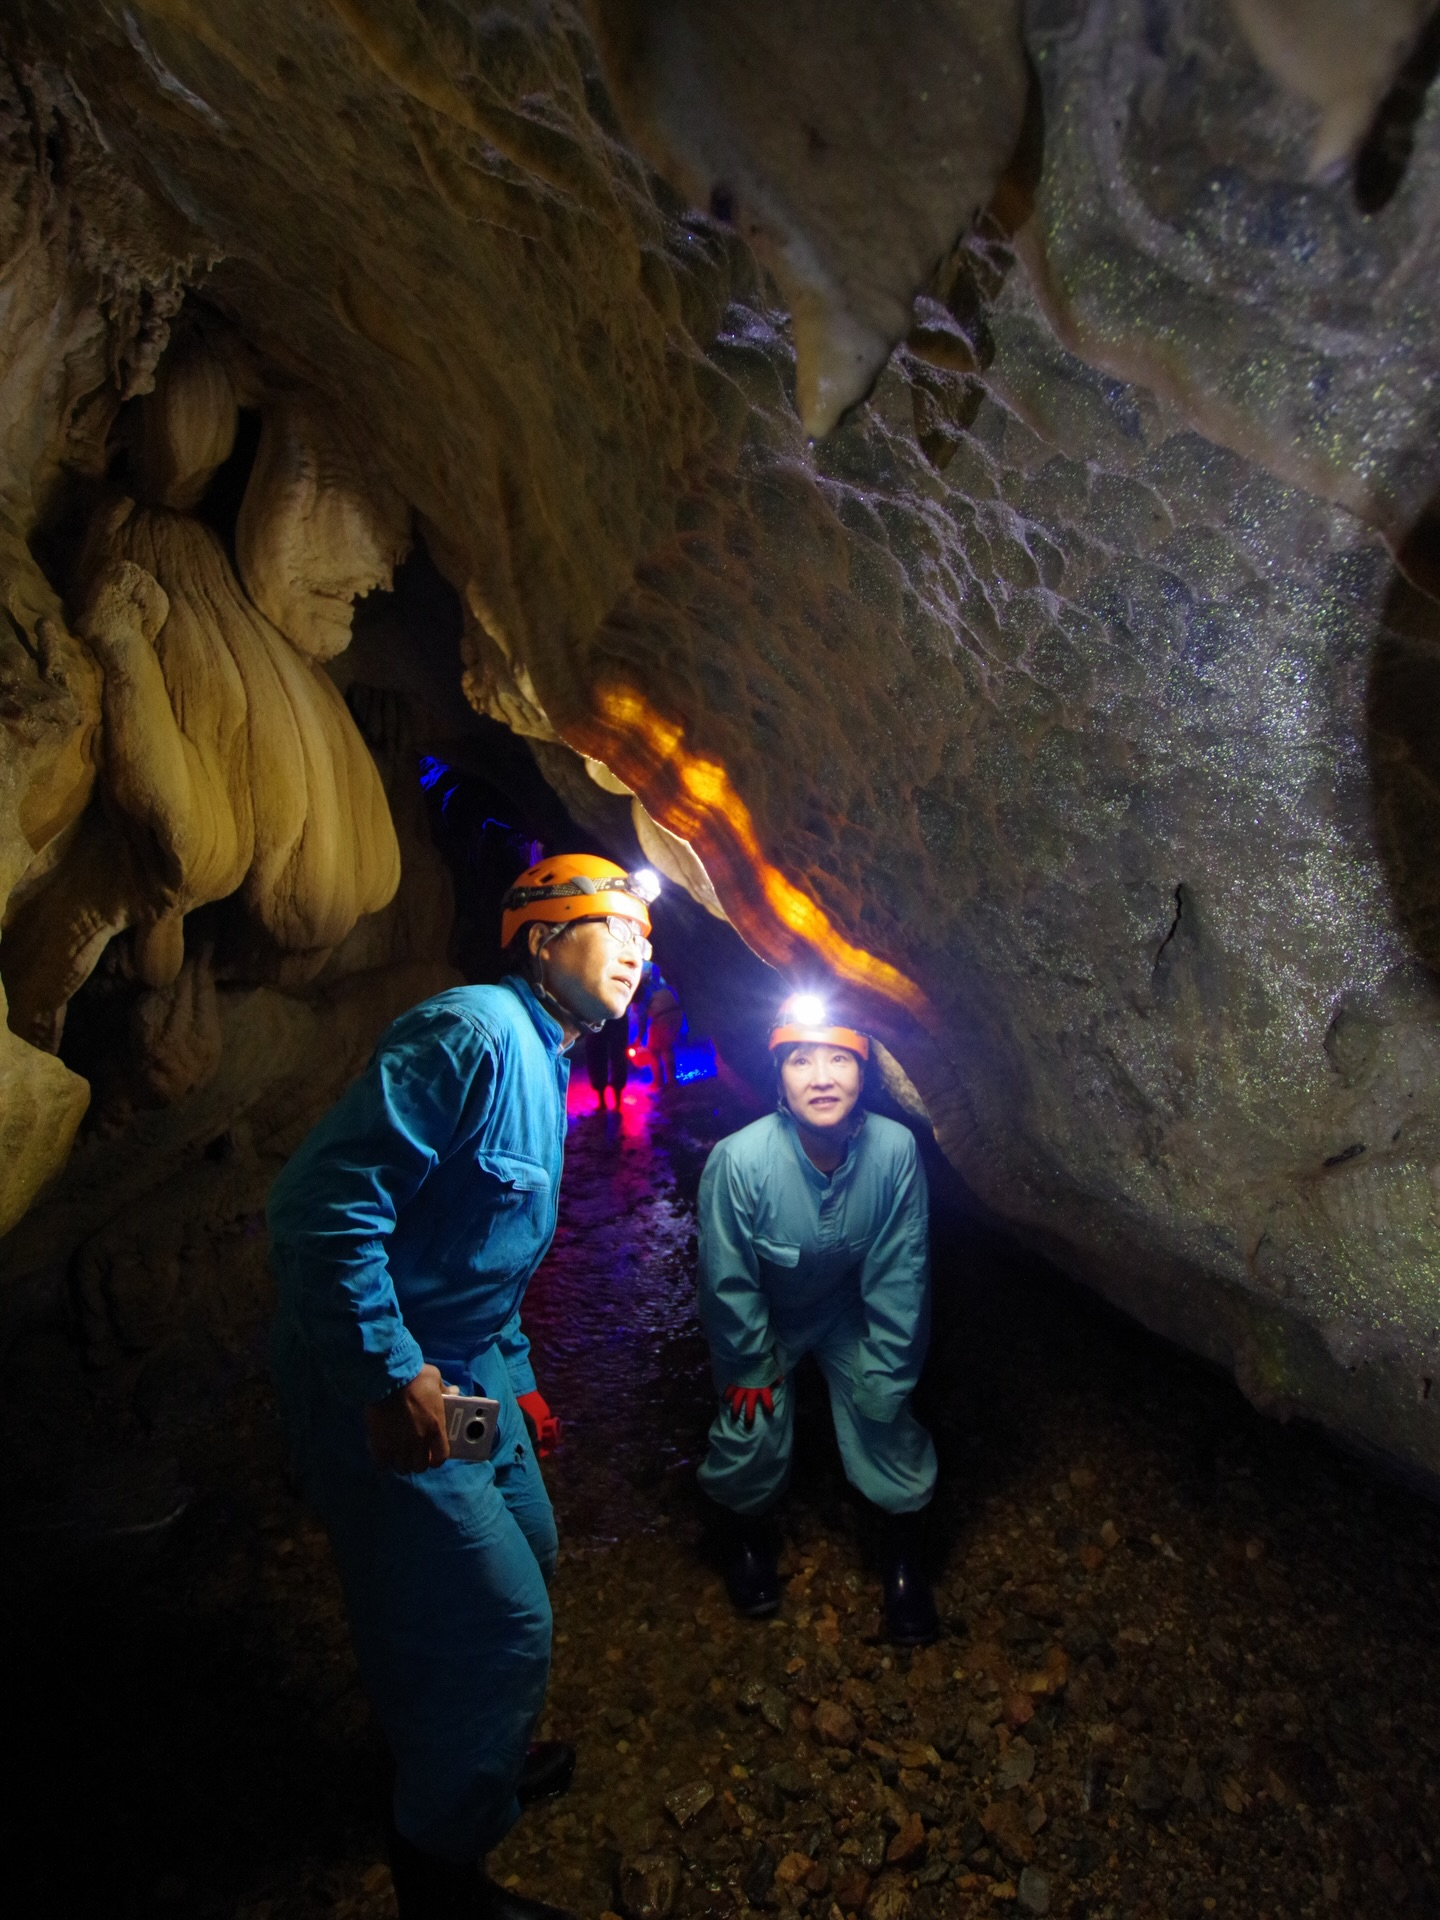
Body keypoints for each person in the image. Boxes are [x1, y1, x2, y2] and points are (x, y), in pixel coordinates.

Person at [267, 854, 659, 1920]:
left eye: (647, 937)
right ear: (538, 939)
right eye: (609, 925)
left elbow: (486, 1252)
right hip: (387, 1376)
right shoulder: (475, 1034)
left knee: (527, 1545)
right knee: (495, 1616)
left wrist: (519, 1378)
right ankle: (439, 1872)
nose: (636, 948)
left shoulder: (548, 1052)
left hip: (472, 1370)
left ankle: (463, 1748)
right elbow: (320, 1210)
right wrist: (389, 1377)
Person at [695, 992, 939, 1645]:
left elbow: (901, 1269)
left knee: (884, 1410)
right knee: (751, 1422)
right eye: (802, 1060)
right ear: (778, 1075)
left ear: (865, 1072)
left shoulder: (894, 1152)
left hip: (841, 1308)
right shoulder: (739, 1161)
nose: (822, 1077)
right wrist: (746, 1364)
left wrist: (890, 1370)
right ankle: (746, 1541)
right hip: (767, 1316)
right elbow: (727, 1278)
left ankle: (904, 1559)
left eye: (839, 1058)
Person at [584, 1010, 631, 1110]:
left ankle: (604, 1101)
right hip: (615, 1011)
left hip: (596, 1011)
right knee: (617, 1055)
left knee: (597, 1055)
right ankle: (614, 1101)